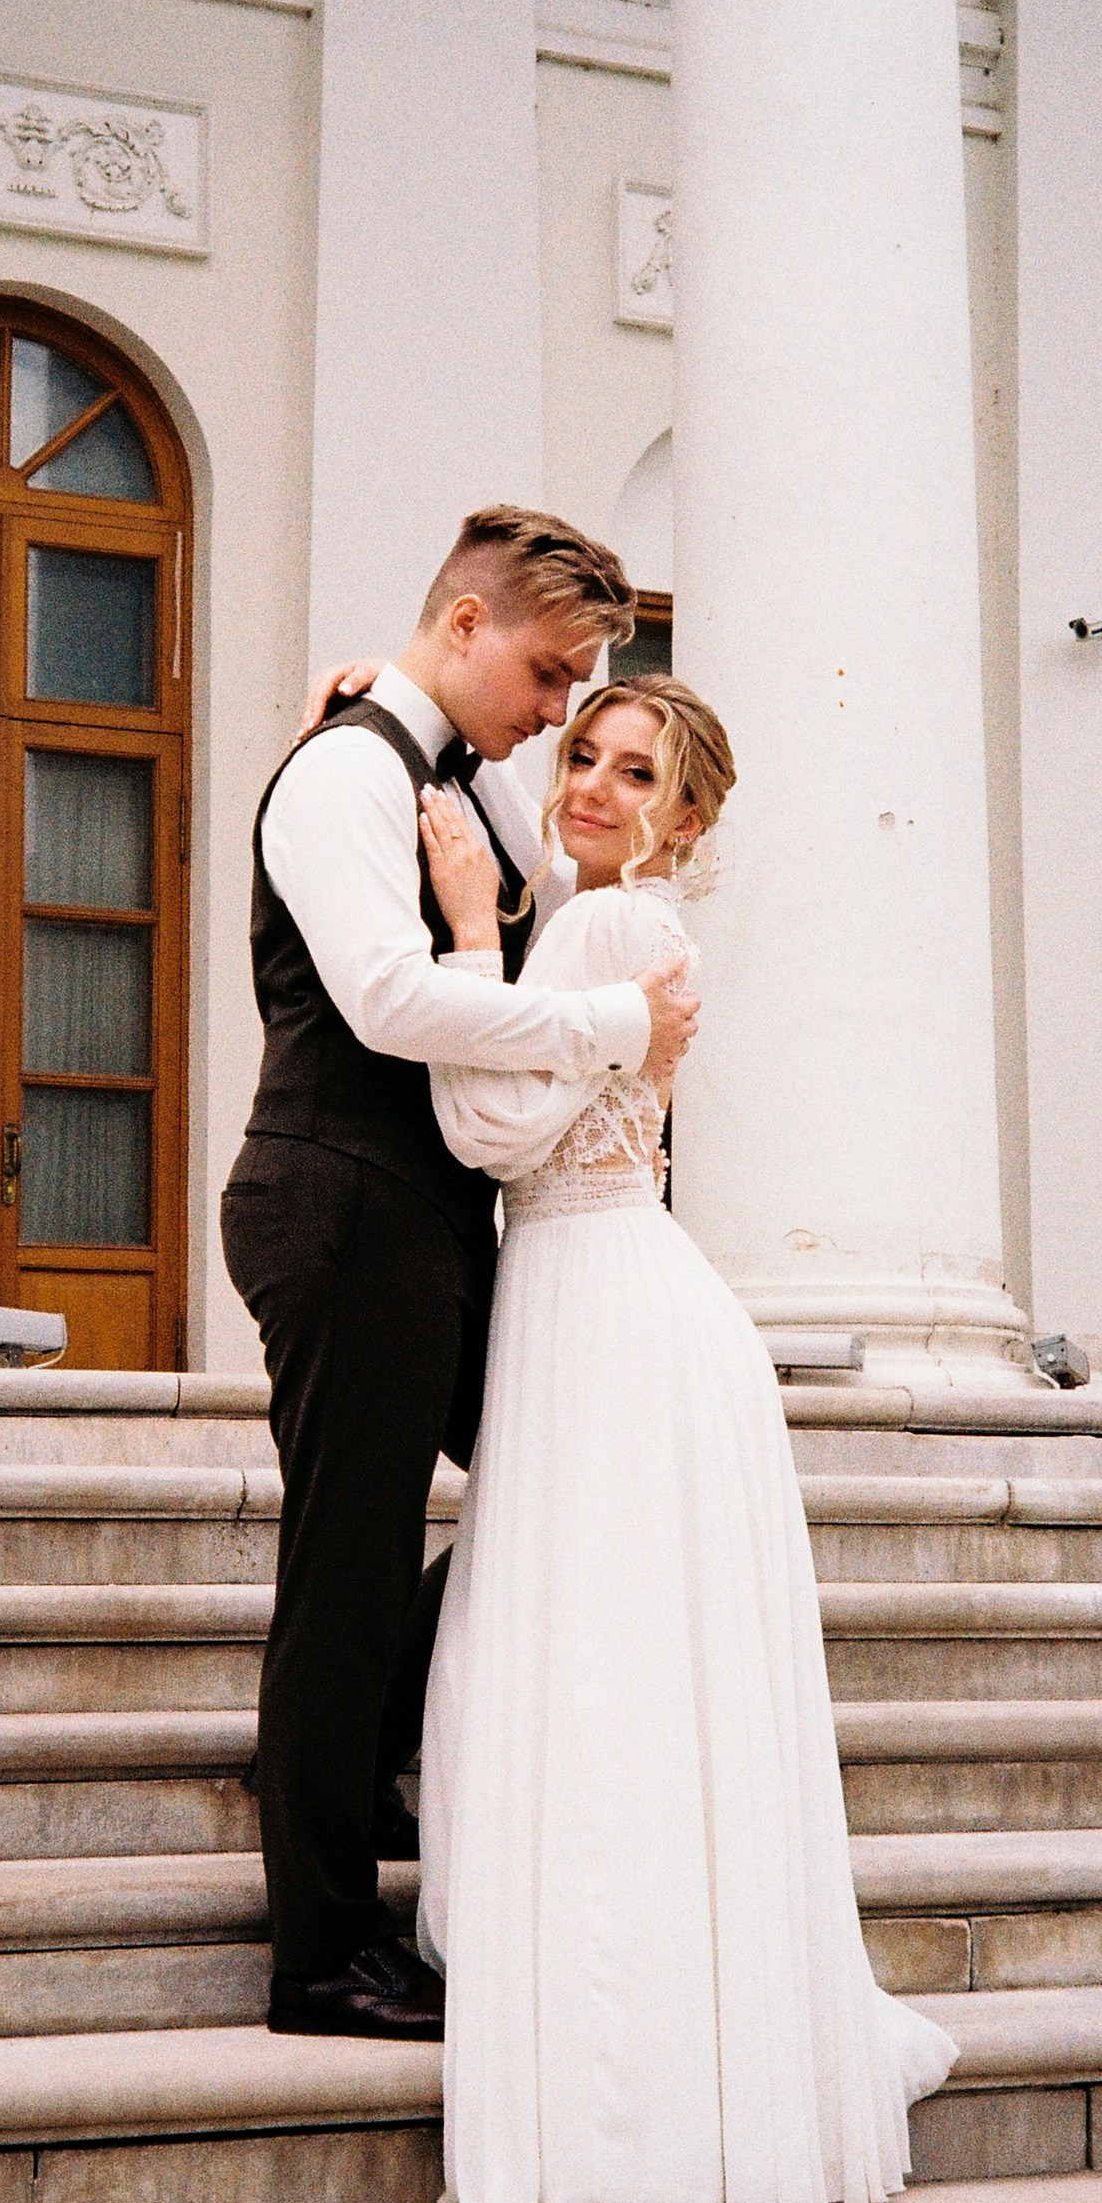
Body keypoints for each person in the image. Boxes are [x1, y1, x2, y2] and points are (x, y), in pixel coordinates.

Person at [413, 675, 960, 2203]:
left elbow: (488, 1130)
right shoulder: (627, 921)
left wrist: (462, 923)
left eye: (630, 768)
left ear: (691, 814)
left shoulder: (594, 930)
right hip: (636, 1304)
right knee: (635, 1682)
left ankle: (620, 2088)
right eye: (577, 751)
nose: (585, 781)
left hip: (597, 1308)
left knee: (589, 1677)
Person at [222, 511, 701, 2043]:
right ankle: (319, 1946)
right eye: (551, 672)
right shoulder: (350, 774)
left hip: (428, 1223)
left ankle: (354, 1747)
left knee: (566, 1483)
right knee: (347, 1569)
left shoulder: (439, 772)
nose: (561, 709)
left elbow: (509, 911)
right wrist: (615, 1030)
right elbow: (380, 994)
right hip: (340, 1200)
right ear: (471, 622)